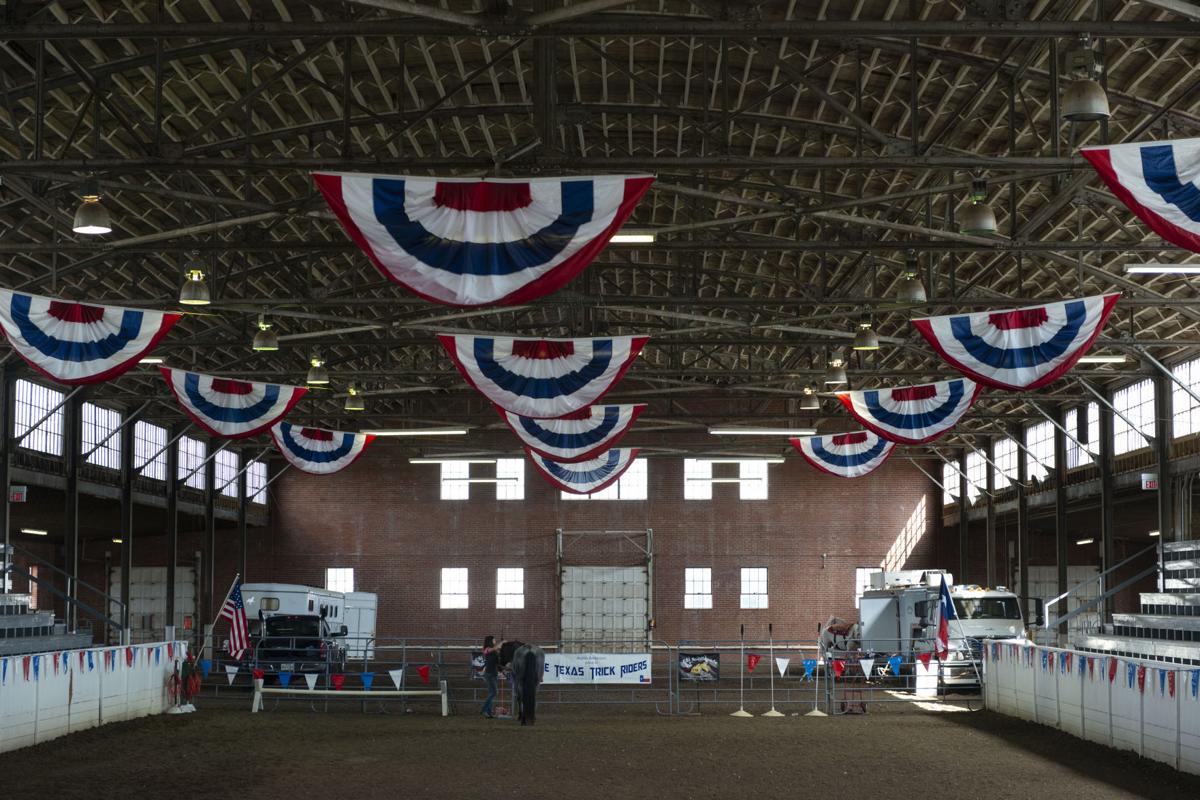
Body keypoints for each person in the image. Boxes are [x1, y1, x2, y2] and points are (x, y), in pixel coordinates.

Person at [480, 635, 500, 718]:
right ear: (490, 641)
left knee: (491, 693)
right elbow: (490, 650)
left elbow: (497, 661)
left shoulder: (495, 651)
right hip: (489, 674)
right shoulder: (486, 649)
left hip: (494, 673)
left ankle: (488, 712)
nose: (495, 641)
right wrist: (499, 645)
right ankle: (484, 709)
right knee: (494, 692)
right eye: (494, 640)